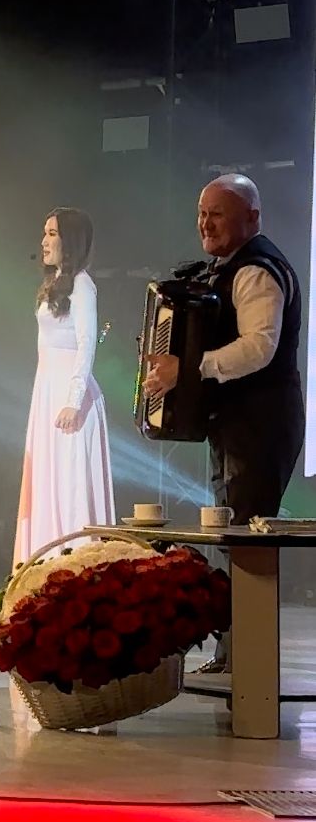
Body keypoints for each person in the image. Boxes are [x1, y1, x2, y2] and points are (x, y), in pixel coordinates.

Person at [144, 174, 303, 673]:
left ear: (251, 218)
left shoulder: (256, 271)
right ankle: (234, 655)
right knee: (232, 534)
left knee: (245, 540)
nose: (205, 224)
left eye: (217, 214)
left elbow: (259, 348)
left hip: (259, 424)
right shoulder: (228, 269)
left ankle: (248, 665)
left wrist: (190, 368)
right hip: (239, 423)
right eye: (201, 213)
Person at [13, 207, 115, 568]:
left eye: (52, 233)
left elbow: (87, 344)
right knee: (48, 482)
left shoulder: (83, 285)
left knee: (70, 486)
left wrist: (73, 400)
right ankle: (44, 565)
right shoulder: (56, 283)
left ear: (70, 240)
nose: (44, 241)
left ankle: (76, 568)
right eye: (45, 232)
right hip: (47, 390)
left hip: (70, 396)